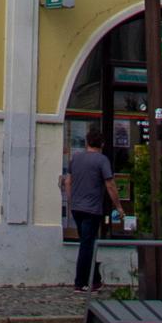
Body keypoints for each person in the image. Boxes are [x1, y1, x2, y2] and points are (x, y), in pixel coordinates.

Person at [62, 121, 119, 291]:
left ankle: (95, 279)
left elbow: (68, 182)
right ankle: (80, 282)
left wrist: (72, 201)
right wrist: (118, 206)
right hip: (92, 209)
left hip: (77, 208)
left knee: (87, 242)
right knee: (86, 245)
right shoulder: (102, 160)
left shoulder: (76, 158)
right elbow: (110, 185)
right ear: (101, 144)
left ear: (87, 142)